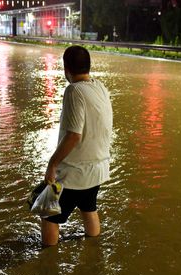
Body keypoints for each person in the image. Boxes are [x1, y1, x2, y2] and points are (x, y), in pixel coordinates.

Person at [42, 45, 113, 246]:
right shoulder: (100, 87)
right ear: (88, 66)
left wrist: (52, 164)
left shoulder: (74, 91)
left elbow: (73, 135)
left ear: (66, 69)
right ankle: (94, 250)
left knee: (49, 215)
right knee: (88, 208)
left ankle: (47, 264)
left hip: (75, 174)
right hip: (98, 169)